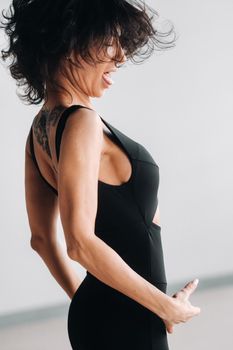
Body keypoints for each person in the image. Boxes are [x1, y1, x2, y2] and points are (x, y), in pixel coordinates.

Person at [0, 1, 201, 349]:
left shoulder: (39, 132)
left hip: (100, 315)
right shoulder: (82, 123)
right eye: (109, 42)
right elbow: (78, 242)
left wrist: (89, 301)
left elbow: (42, 241)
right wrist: (164, 307)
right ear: (71, 40)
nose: (120, 57)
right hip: (133, 319)